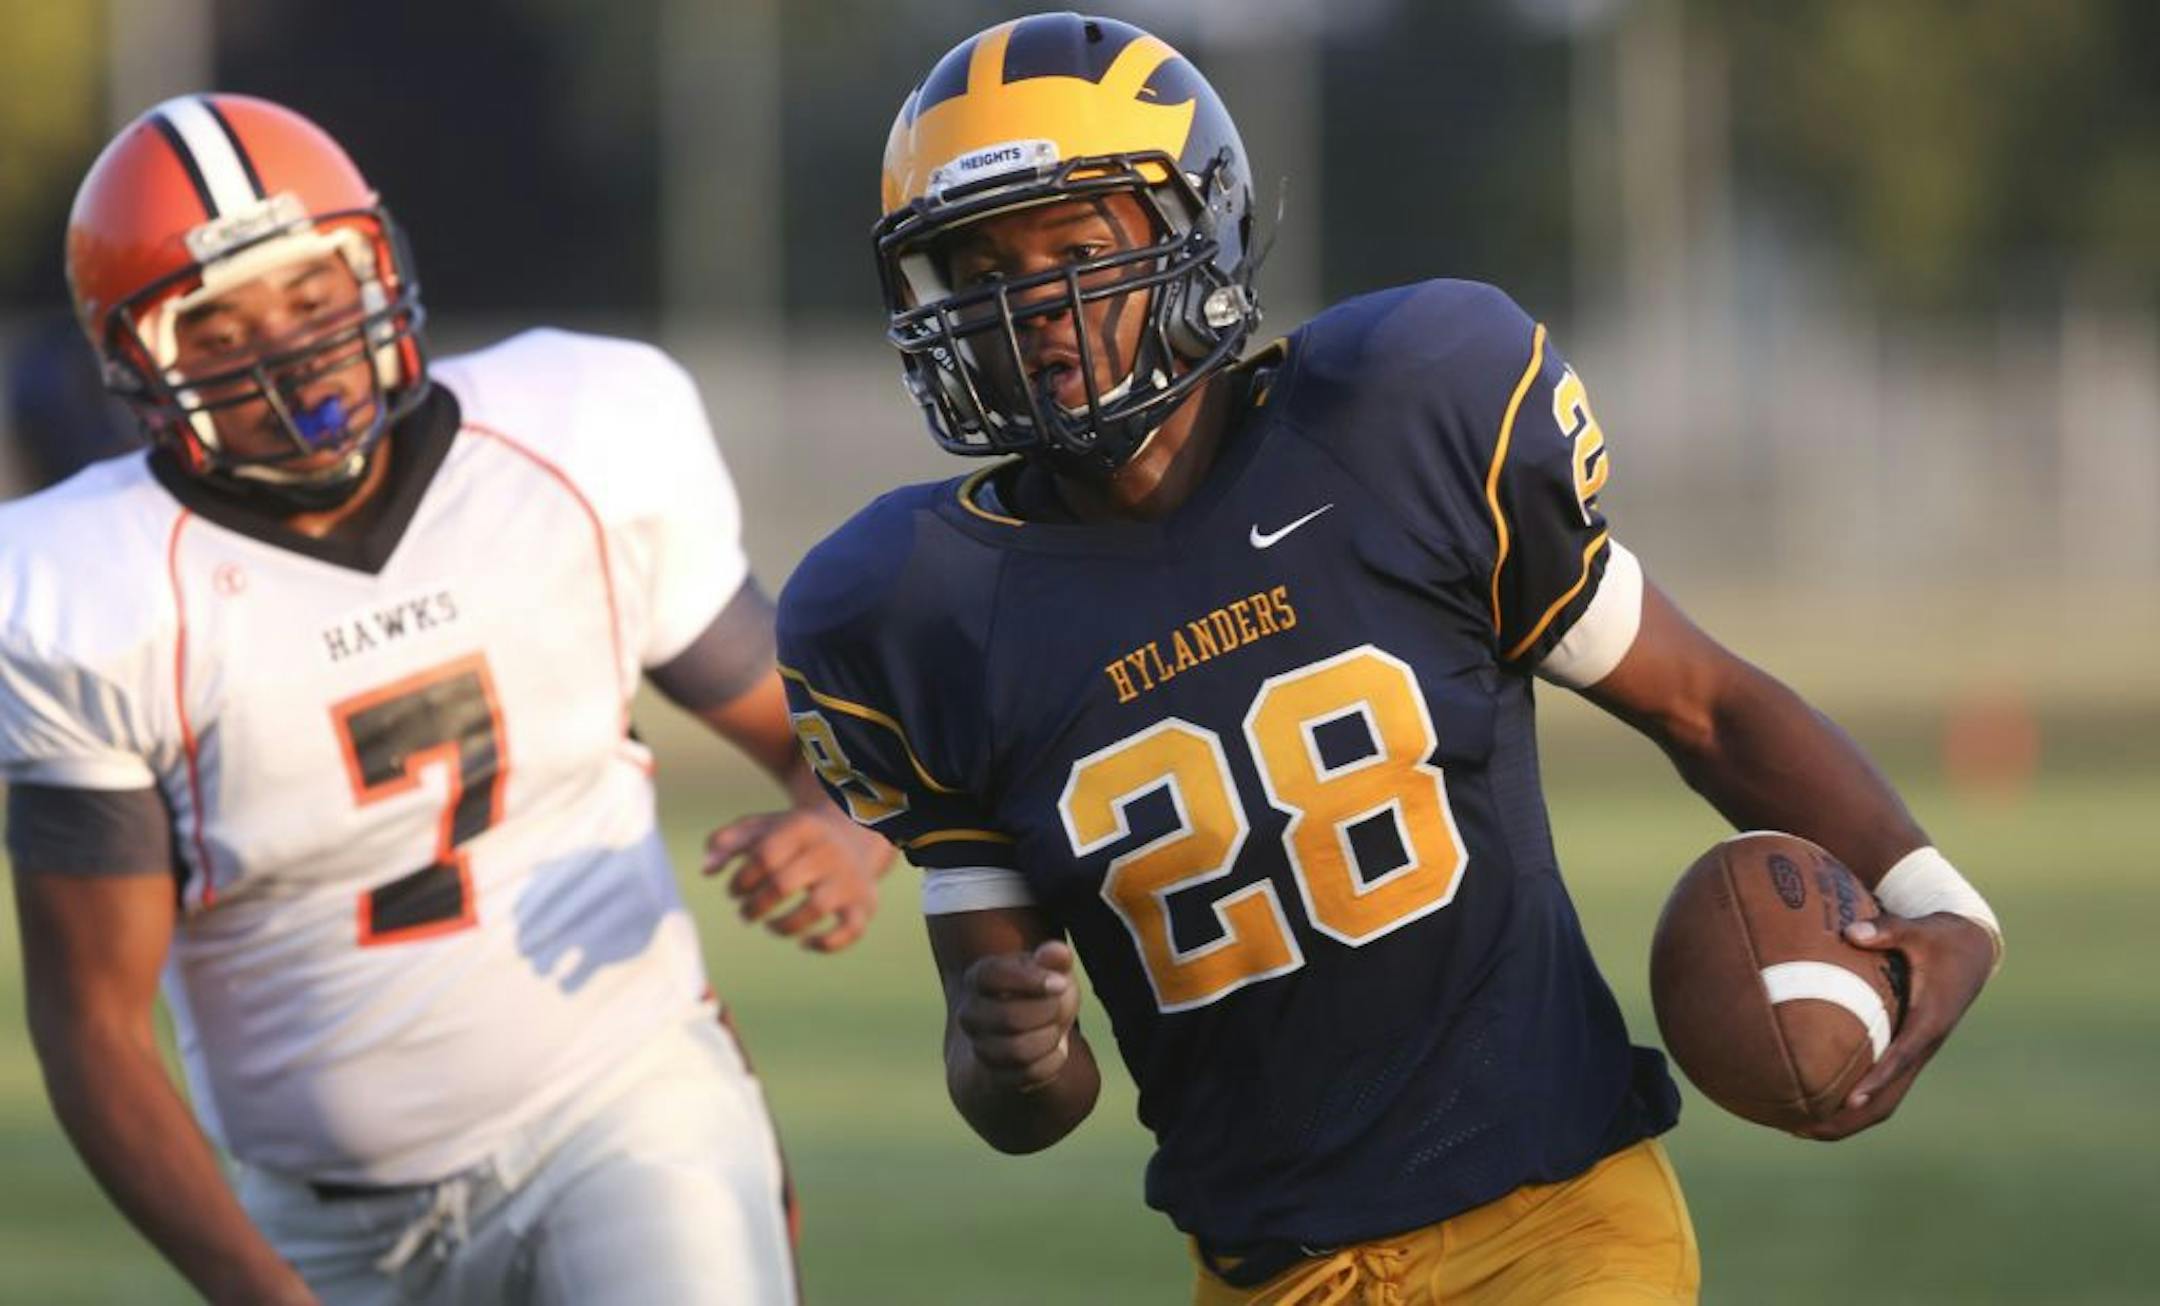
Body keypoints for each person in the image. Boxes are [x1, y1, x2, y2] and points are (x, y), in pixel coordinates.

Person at [775, 14, 2002, 1305]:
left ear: (1202, 229)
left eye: (1076, 251)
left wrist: (1939, 898)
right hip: (1268, 1274)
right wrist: (1012, 1055)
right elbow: (1025, 1099)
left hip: (1562, 1227)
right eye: (980, 267)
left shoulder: (1398, 420)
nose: (1030, 309)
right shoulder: (918, 612)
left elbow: (1706, 707)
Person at [1, 94, 891, 1305]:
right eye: (219, 328)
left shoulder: (576, 436)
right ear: (136, 363)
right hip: (320, 1217)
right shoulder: (82, 590)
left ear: (378, 267)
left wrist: (844, 829)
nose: (287, 351)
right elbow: (93, 1030)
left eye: (314, 298)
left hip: (624, 1105)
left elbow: (824, 740)